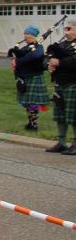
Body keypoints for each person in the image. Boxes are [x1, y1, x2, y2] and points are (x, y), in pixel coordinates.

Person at [9, 25, 49, 131]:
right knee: (28, 103)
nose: (25, 36)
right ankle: (30, 122)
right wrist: (13, 57)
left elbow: (35, 56)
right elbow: (18, 56)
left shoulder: (39, 47)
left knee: (32, 103)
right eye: (24, 34)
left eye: (27, 34)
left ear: (33, 35)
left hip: (34, 77)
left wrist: (18, 61)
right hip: (25, 78)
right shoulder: (26, 48)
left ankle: (34, 124)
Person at [46, 20, 76, 154]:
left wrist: (59, 62)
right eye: (65, 28)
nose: (66, 31)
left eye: (70, 28)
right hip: (59, 83)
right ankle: (62, 142)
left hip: (73, 83)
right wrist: (49, 65)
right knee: (60, 115)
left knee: (73, 116)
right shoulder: (61, 44)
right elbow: (47, 58)